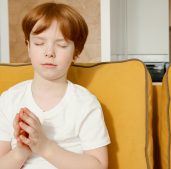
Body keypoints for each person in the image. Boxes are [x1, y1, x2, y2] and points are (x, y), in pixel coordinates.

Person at [0, 2, 110, 169]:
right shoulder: (9, 99)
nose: (49, 52)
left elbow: (99, 166)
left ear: (76, 52)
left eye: (62, 45)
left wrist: (45, 147)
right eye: (39, 43)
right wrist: (21, 151)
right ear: (28, 47)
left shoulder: (85, 103)